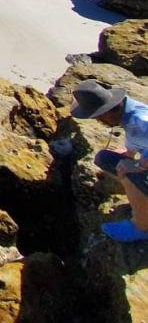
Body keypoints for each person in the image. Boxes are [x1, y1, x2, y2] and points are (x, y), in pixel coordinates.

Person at [71, 79, 148, 243]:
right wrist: (129, 154)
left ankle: (141, 226)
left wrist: (139, 166)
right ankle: (141, 200)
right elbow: (140, 138)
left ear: (110, 111)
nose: (100, 122)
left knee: (127, 170)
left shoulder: (140, 119)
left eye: (100, 117)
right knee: (105, 158)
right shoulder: (129, 111)